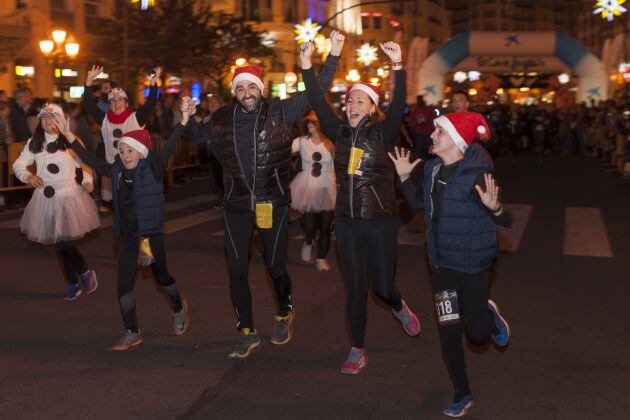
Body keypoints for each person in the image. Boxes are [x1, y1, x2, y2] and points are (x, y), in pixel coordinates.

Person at [186, 31, 344, 360]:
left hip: (272, 203)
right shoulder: (221, 119)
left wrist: (332, 57)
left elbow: (316, 93)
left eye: (251, 86)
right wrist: (184, 117)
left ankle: (284, 310)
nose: (246, 92)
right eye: (240, 87)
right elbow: (197, 136)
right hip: (237, 206)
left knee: (275, 268)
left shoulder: (281, 111)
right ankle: (246, 331)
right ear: (235, 92)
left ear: (261, 88)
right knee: (236, 271)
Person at [302, 40, 421, 375]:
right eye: (350, 99)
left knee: (381, 287)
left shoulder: (383, 133)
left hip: (380, 221)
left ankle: (398, 305)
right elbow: (315, 98)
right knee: (355, 289)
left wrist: (398, 65)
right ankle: (357, 349)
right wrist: (310, 63)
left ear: (371, 107)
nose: (352, 104)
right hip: (348, 223)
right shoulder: (337, 131)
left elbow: (399, 103)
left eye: (360, 100)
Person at [389, 112, 511, 418]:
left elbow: (506, 219)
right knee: (449, 330)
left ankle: (488, 313)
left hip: (472, 265)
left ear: (455, 141)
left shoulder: (477, 175)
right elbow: (418, 205)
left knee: (479, 337)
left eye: (438, 133)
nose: (431, 136)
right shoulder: (431, 170)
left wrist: (496, 209)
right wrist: (404, 178)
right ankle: (462, 392)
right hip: (442, 266)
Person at [64, 98, 195, 350]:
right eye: (122, 151)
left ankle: (178, 306)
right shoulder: (117, 171)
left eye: (129, 151)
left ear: (141, 151)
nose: (124, 156)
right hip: (130, 237)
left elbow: (169, 145)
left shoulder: (154, 167)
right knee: (123, 284)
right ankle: (132, 331)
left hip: (152, 235)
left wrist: (185, 121)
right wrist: (66, 132)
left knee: (162, 276)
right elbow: (89, 157)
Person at [12, 103, 99, 300]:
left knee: (62, 242)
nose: (48, 122)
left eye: (53, 118)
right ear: (39, 122)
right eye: (44, 118)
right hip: (45, 198)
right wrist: (28, 177)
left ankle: (83, 273)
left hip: (68, 196)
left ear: (61, 120)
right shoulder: (34, 142)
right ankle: (74, 282)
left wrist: (87, 180)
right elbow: (18, 164)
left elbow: (85, 164)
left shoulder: (70, 141)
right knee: (60, 242)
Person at [83, 65, 161, 213]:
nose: (116, 103)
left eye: (120, 100)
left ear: (127, 103)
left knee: (137, 205)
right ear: (109, 105)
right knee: (122, 208)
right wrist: (88, 81)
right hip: (115, 168)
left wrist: (153, 84)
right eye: (113, 101)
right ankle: (128, 232)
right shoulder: (104, 119)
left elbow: (151, 103)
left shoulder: (136, 117)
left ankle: (143, 233)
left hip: (135, 169)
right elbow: (89, 105)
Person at [290, 112, 336, 271]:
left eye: (314, 122)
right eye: (308, 121)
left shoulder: (331, 143)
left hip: (327, 186)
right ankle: (308, 241)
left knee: (325, 227)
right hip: (308, 187)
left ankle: (321, 259)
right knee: (309, 227)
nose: (310, 124)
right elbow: (281, 152)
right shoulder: (301, 141)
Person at [407, 95, 434, 160]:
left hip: (427, 133)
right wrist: (417, 122)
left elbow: (433, 121)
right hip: (419, 134)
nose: (419, 101)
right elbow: (410, 123)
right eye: (418, 100)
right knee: (419, 152)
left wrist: (428, 124)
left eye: (420, 99)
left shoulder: (428, 109)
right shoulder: (415, 110)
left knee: (428, 152)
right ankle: (419, 165)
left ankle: (426, 165)